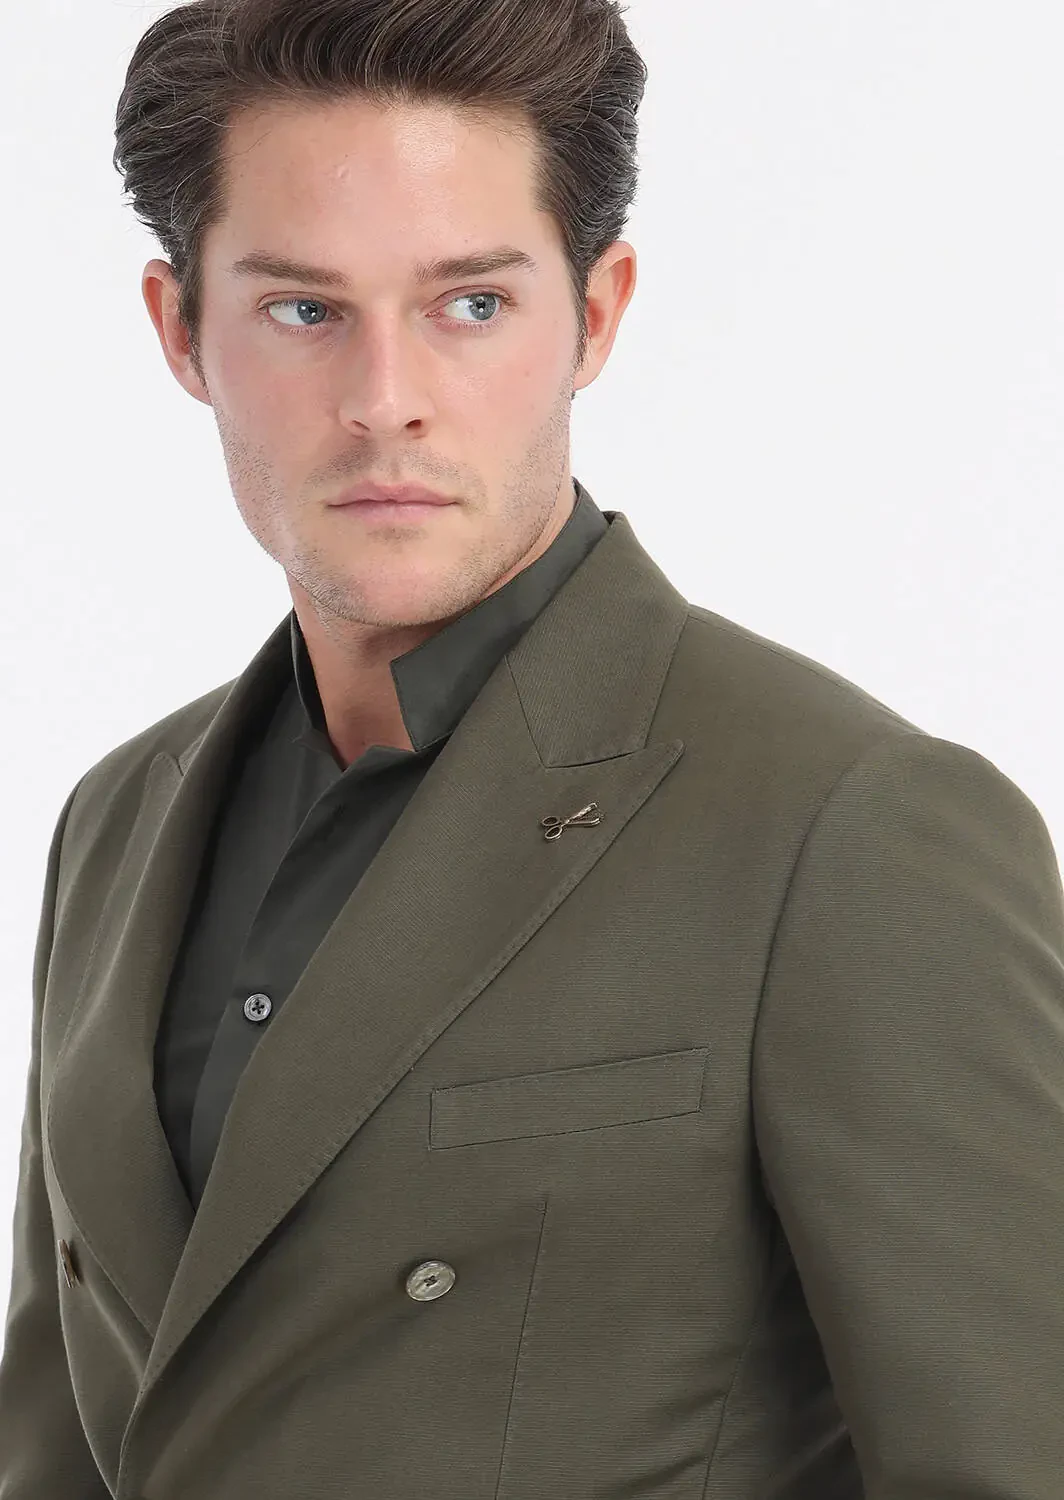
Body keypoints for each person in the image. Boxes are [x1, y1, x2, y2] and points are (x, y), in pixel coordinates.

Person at [3, 0, 1063, 1495]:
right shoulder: (118, 821)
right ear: (182, 330)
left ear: (598, 313)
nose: (385, 402)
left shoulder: (851, 825)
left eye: (472, 305)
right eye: (304, 310)